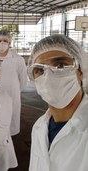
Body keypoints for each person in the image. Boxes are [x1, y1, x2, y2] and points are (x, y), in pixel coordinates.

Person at [28, 34, 88, 171]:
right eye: (39, 70)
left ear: (80, 71)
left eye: (60, 65)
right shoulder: (39, 127)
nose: (48, 76)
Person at [0, 30, 27, 136]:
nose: (2, 43)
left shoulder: (18, 59)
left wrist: (15, 90)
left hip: (12, 95)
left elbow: (23, 80)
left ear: (10, 42)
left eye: (5, 40)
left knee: (10, 122)